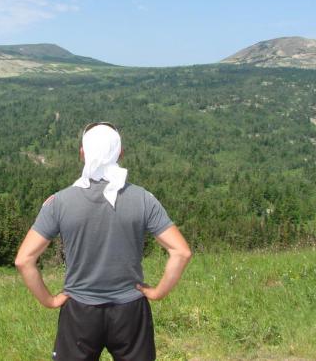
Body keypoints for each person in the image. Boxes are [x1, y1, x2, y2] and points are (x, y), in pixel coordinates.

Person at [15, 122, 192, 360]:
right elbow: (181, 252)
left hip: (79, 311)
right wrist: (158, 292)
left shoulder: (59, 202)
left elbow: (24, 260)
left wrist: (50, 300)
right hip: (130, 310)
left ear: (82, 153)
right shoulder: (144, 199)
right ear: (120, 153)